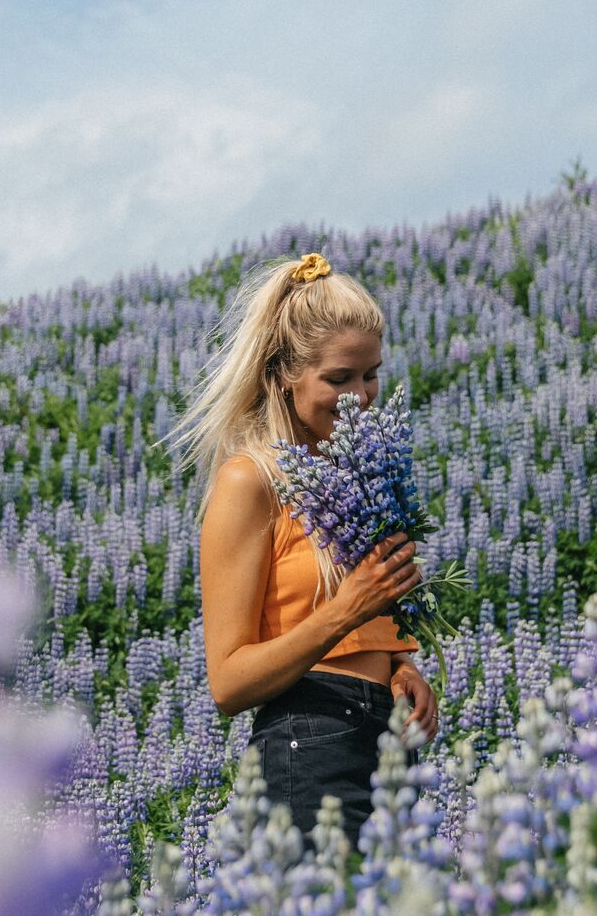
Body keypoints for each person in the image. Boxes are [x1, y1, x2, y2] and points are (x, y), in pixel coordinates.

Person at [168, 249, 439, 845]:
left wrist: (400, 666)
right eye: (338, 379)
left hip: (385, 738)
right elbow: (228, 682)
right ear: (284, 375)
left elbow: (367, 624)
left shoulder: (356, 474)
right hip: (308, 745)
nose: (359, 397)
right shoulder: (249, 480)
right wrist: (346, 610)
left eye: (370, 374)